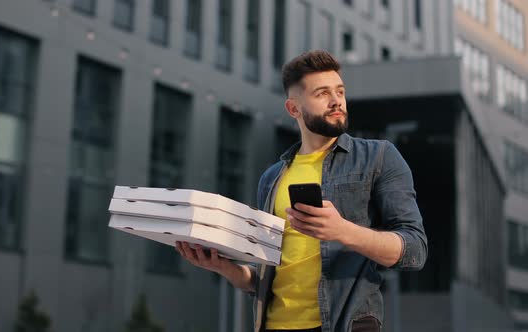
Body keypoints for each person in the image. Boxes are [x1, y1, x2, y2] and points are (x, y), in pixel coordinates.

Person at [175, 50, 427, 332]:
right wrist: (224, 268)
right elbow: (266, 277)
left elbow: (415, 250)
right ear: (293, 109)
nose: (336, 102)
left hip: (344, 324)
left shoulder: (379, 157)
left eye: (340, 91)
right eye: (322, 94)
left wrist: (343, 231)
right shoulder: (271, 178)